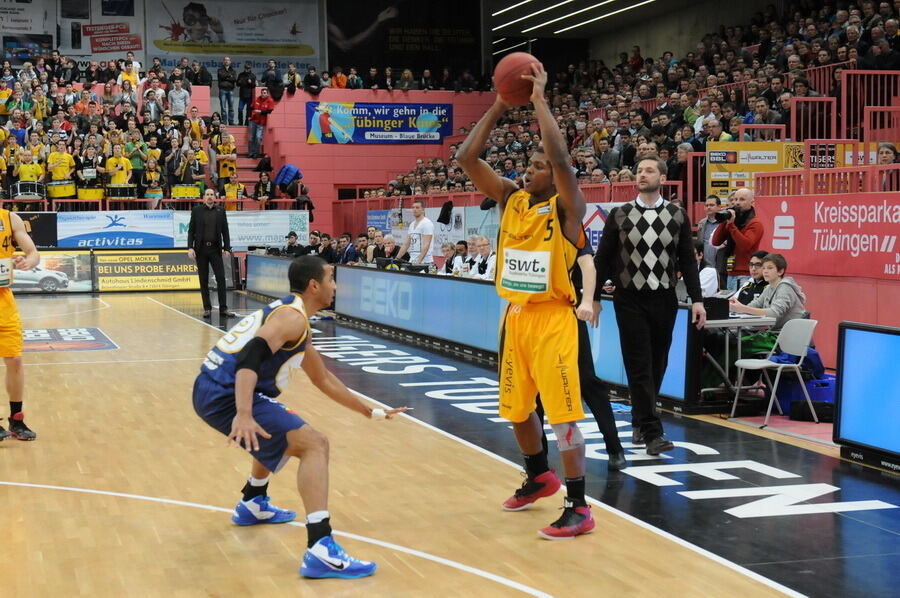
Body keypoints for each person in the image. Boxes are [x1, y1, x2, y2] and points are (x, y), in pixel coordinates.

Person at [193, 255, 407, 578]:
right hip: (225, 393)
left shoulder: (296, 317)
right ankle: (321, 547)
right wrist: (244, 413)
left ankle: (253, 501)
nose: (335, 285)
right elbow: (250, 355)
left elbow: (323, 379)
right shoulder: (292, 318)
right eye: (331, 278)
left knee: (281, 424)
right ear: (314, 285)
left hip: (214, 387)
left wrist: (370, 411)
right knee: (315, 445)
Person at [457, 63, 594, 539]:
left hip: (554, 320)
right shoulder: (511, 199)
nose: (528, 170)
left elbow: (560, 159)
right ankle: (539, 476)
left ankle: (579, 503)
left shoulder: (567, 207)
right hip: (516, 317)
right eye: (528, 166)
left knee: (563, 415)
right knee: (517, 411)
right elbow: (467, 160)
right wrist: (498, 102)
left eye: (536, 166)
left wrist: (537, 101)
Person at [595, 155, 706, 455]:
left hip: (665, 298)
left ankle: (639, 419)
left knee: (658, 363)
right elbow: (602, 259)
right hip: (628, 298)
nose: (642, 174)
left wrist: (697, 300)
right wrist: (592, 298)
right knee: (639, 364)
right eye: (639, 170)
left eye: (649, 170)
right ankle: (652, 432)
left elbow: (687, 261)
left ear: (662, 177)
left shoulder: (677, 215)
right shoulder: (620, 214)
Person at [0, 207, 40, 441]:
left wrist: (27, 262)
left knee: (14, 359)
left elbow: (33, 252)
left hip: (3, 297)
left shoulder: (10, 217)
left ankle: (17, 420)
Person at [187, 188, 236, 319]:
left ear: (215, 197)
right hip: (201, 250)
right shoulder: (196, 211)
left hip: (215, 250)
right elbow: (191, 231)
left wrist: (227, 248)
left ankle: (223, 308)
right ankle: (207, 308)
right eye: (207, 195)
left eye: (211, 195)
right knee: (203, 280)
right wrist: (190, 247)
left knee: (221, 278)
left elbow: (225, 231)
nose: (209, 197)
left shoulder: (221, 211)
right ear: (204, 197)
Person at [729, 253, 807, 330]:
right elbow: (755, 304)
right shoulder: (769, 288)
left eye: (770, 268)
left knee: (732, 339)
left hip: (789, 335)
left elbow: (773, 314)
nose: (765, 271)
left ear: (780, 271)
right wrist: (736, 307)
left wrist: (744, 309)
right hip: (775, 333)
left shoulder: (785, 288)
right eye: (763, 268)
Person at [711, 188, 764, 290]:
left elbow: (745, 245)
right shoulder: (734, 221)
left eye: (742, 199)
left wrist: (731, 225)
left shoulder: (755, 223)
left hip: (745, 274)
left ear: (751, 202)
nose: (737, 203)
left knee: (740, 304)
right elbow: (716, 241)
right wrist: (725, 220)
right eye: (735, 199)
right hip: (730, 272)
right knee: (731, 305)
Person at [397, 199, 434, 265]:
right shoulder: (412, 224)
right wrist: (396, 259)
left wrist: (418, 262)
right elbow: (406, 244)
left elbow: (426, 245)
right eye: (413, 207)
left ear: (423, 210)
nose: (414, 209)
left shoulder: (427, 223)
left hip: (424, 261)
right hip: (412, 260)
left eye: (417, 207)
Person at [248, 88, 276, 159]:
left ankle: (256, 153)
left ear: (267, 94)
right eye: (262, 93)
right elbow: (251, 107)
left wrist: (260, 112)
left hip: (262, 122)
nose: (263, 94)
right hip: (253, 120)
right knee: (251, 137)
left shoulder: (270, 101)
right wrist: (249, 116)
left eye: (264, 93)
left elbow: (270, 111)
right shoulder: (257, 99)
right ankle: (251, 152)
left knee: (258, 138)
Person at [218, 57, 237, 125]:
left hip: (231, 90)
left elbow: (234, 79)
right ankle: (224, 121)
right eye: (225, 60)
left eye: (228, 60)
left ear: (230, 62)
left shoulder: (233, 71)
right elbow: (221, 76)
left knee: (231, 107)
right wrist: (229, 76)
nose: (226, 61)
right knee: (223, 107)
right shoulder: (220, 70)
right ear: (223, 61)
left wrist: (226, 77)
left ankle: (231, 121)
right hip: (222, 90)